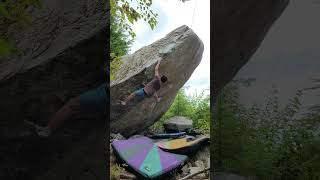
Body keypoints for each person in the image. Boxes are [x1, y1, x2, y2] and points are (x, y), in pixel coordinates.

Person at [25, 83, 108, 137]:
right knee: (76, 112)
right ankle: (49, 129)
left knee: (71, 105)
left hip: (103, 94)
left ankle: (48, 130)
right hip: (104, 97)